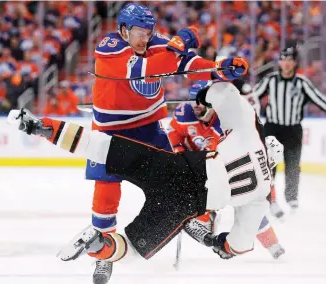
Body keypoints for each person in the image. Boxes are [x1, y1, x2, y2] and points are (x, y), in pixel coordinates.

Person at [7, 81, 284, 268]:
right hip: (186, 204)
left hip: (178, 169)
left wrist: (205, 94)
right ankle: (99, 244)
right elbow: (239, 244)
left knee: (102, 147)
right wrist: (221, 244)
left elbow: (226, 94)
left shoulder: (250, 135)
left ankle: (41, 127)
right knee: (133, 251)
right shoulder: (260, 196)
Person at [83, 3, 248, 283]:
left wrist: (218, 69)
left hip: (148, 128)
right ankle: (103, 255)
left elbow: (185, 64)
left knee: (175, 181)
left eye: (149, 32)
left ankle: (186, 220)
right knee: (106, 194)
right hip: (111, 132)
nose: (144, 38)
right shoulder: (109, 47)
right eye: (138, 32)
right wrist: (179, 44)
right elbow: (149, 68)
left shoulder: (159, 45)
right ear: (123, 30)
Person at [168, 81, 285, 259]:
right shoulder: (184, 113)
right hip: (198, 168)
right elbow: (173, 135)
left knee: (248, 203)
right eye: (193, 102)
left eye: (200, 102)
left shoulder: (228, 121)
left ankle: (273, 244)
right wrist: (180, 154)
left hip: (221, 170)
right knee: (196, 208)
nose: (196, 107)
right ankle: (209, 228)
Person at [249, 47, 326, 218]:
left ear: (295, 63)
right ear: (279, 62)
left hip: (293, 129)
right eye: (283, 59)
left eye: (290, 60)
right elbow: (252, 97)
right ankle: (270, 198)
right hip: (272, 128)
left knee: (293, 164)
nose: (286, 63)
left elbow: (318, 98)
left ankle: (291, 197)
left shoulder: (302, 82)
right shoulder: (270, 80)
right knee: (269, 165)